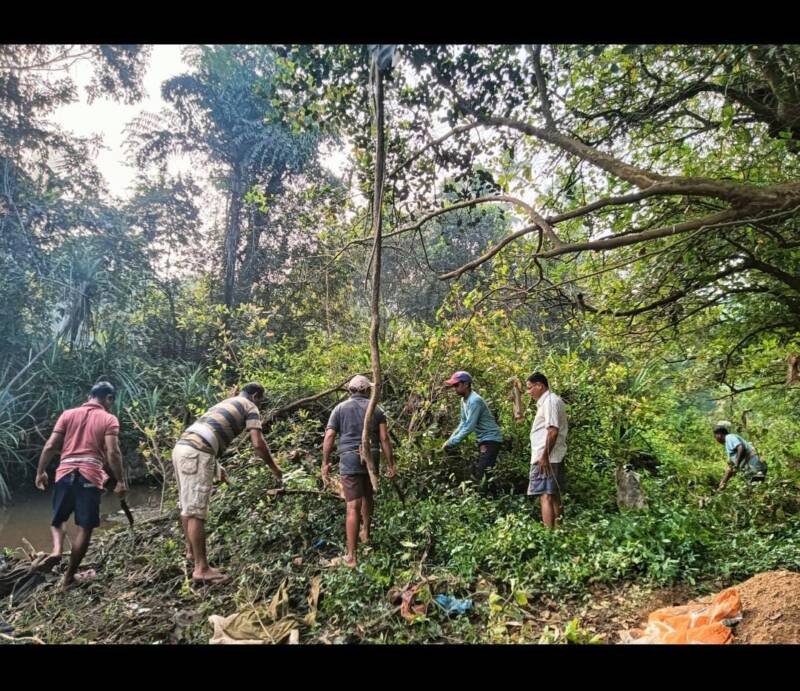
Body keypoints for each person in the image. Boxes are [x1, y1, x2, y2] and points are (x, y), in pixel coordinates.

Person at [172, 382, 281, 584]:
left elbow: (208, 433)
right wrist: (275, 468)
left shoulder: (227, 402)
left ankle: (191, 553)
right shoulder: (250, 406)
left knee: (187, 507)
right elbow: (257, 444)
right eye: (261, 400)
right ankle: (201, 569)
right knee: (196, 511)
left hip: (182, 448)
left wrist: (216, 469)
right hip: (197, 452)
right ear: (255, 396)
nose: (261, 405)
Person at [35, 381, 127, 591]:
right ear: (108, 398)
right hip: (89, 476)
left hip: (64, 473)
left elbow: (50, 445)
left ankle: (57, 550)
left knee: (57, 520)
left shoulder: (67, 414)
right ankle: (69, 578)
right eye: (111, 401)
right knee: (85, 528)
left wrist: (40, 472)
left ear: (89, 396)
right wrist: (120, 481)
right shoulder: (109, 418)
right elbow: (113, 452)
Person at [322, 375, 397, 568]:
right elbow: (384, 438)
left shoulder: (340, 409)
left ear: (350, 390)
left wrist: (325, 462)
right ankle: (366, 533)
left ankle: (351, 556)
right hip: (372, 457)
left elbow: (329, 436)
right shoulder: (377, 409)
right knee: (367, 496)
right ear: (368, 390)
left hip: (350, 458)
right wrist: (391, 464)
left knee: (352, 505)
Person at [442, 371, 503, 490]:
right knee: (485, 473)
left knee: (482, 473)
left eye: (456, 385)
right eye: (454, 386)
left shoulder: (475, 401)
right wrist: (450, 440)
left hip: (491, 439)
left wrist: (452, 442)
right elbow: (463, 422)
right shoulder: (464, 400)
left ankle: (486, 498)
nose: (455, 388)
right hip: (483, 439)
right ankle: (493, 496)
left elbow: (469, 426)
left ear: (466, 384)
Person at [525, 373, 568, 528]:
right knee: (553, 494)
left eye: (530, 388)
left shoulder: (549, 402)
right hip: (553, 456)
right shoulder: (550, 401)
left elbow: (553, 431)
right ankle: (559, 531)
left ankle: (548, 534)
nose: (528, 392)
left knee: (545, 496)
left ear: (540, 386)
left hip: (547, 457)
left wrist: (544, 457)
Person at [714, 421, 767, 490]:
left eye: (715, 436)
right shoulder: (729, 445)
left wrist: (737, 463)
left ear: (719, 434)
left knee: (754, 488)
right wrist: (723, 482)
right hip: (755, 466)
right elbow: (730, 468)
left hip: (753, 465)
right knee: (757, 489)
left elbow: (740, 447)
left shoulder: (729, 437)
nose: (716, 439)